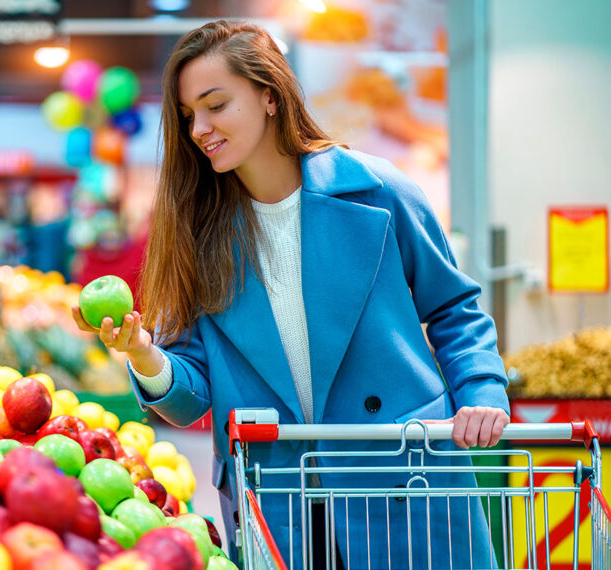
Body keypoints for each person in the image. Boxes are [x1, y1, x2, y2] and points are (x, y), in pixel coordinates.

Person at [72, 20, 510, 569]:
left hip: (400, 474)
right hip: (280, 500)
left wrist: (481, 392)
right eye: (188, 116)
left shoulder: (378, 191)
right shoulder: (199, 234)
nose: (200, 129)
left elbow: (452, 308)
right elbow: (189, 399)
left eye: (215, 105)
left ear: (270, 96)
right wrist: (142, 352)